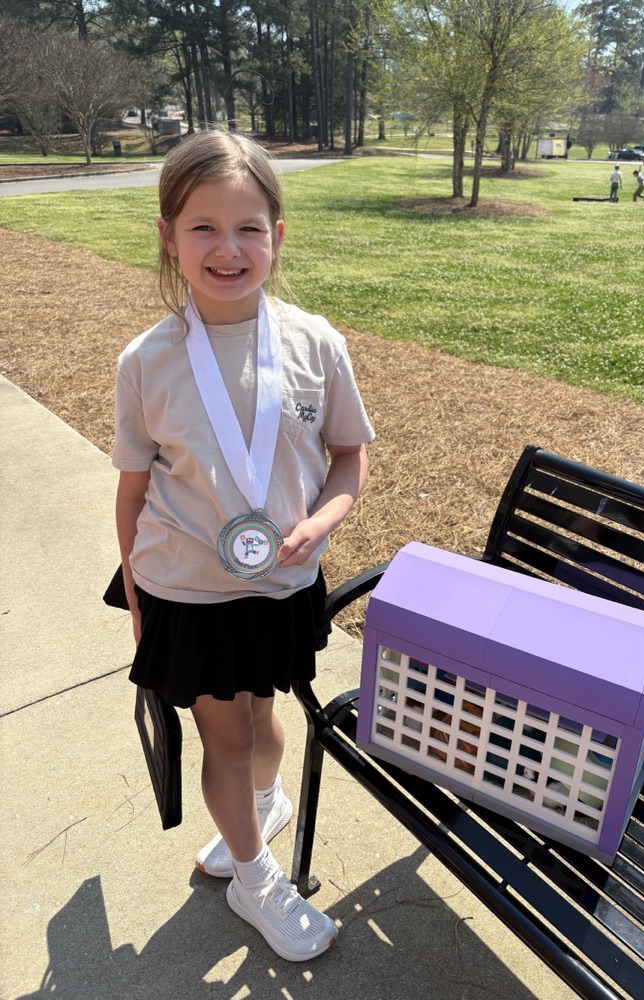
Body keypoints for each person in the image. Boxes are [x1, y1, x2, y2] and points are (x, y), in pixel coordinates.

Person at [113, 130, 374, 962]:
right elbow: (131, 491)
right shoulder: (146, 362)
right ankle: (258, 884)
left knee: (265, 717)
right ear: (169, 235)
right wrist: (138, 602)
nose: (228, 249)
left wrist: (321, 524)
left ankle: (253, 815)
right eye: (203, 227)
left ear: (277, 235)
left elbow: (349, 459)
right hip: (187, 586)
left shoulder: (315, 344)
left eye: (248, 227)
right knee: (225, 735)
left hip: (283, 581)